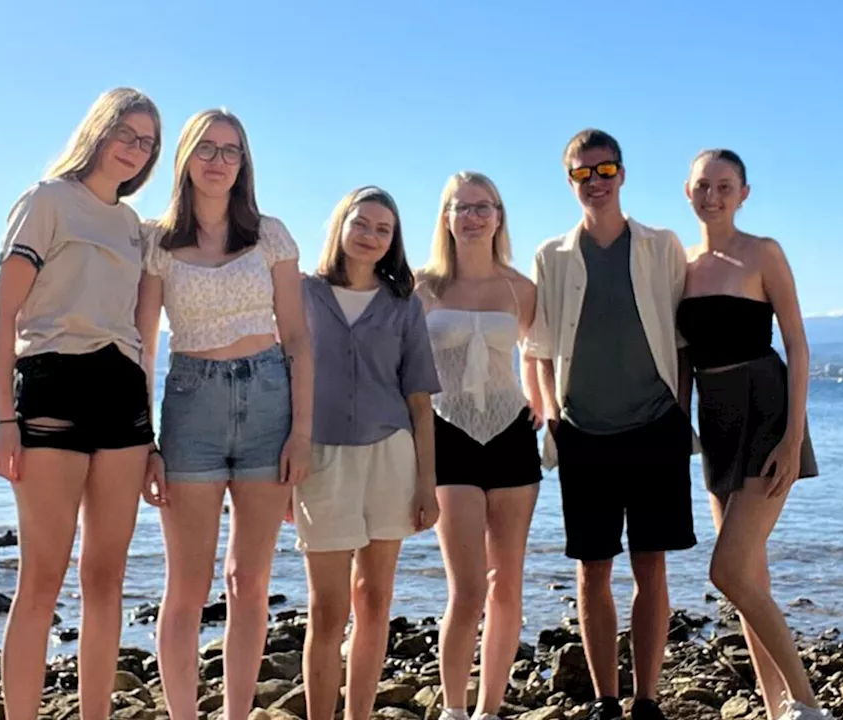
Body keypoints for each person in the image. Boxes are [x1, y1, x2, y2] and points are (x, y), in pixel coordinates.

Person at [0, 87, 162, 720]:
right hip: (52, 389)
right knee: (41, 579)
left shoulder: (135, 229)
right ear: (99, 131)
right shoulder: (46, 201)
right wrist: (5, 420)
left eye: (147, 143)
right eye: (127, 135)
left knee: (106, 578)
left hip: (122, 400)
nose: (135, 151)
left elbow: (143, 334)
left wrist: (154, 436)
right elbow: (3, 312)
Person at [135, 108, 313, 720]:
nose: (218, 160)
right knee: (187, 587)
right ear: (185, 157)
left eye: (230, 150)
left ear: (244, 163)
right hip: (191, 407)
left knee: (248, 582)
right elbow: (144, 348)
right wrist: (146, 443)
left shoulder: (271, 235)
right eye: (206, 148)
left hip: (269, 401)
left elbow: (298, 339)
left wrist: (303, 431)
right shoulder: (157, 241)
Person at [525, 129, 697, 720]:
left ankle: (647, 699)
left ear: (622, 174)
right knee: (592, 568)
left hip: (655, 427)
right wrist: (552, 421)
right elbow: (538, 349)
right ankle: (606, 700)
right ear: (569, 180)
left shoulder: (661, 246)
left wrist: (683, 411)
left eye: (604, 170)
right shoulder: (552, 257)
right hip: (583, 433)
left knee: (651, 564)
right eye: (582, 173)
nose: (594, 182)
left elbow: (684, 339)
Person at [677, 149, 824, 720]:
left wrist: (792, 437)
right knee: (748, 578)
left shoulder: (762, 252)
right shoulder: (680, 264)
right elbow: (684, 359)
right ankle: (773, 708)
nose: (712, 195)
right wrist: (682, 424)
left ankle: (807, 705)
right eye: (702, 186)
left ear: (743, 193)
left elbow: (799, 344)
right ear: (686, 192)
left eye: (724, 185)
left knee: (728, 569)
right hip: (716, 420)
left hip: (766, 411)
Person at [295, 186, 441, 720]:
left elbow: (420, 403)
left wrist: (427, 485)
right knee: (326, 608)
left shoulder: (404, 305)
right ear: (341, 224)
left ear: (393, 241)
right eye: (362, 224)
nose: (371, 236)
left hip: (391, 459)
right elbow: (281, 380)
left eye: (383, 230)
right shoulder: (301, 293)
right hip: (320, 460)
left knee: (375, 600)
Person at [415, 172, 542, 720]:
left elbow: (541, 355)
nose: (472, 216)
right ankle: (455, 710)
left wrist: (543, 401)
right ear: (445, 217)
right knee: (467, 589)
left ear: (498, 216)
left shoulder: (522, 289)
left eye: (482, 207)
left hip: (512, 434)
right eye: (461, 207)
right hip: (448, 437)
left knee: (506, 584)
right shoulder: (422, 287)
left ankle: (490, 709)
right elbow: (405, 369)